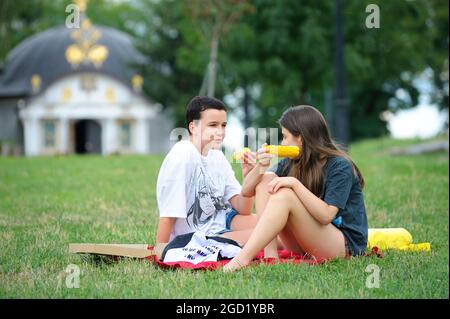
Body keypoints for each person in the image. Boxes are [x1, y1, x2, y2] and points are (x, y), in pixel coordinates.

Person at [223, 105, 368, 272]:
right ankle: (271, 257)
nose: (282, 143)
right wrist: (260, 168)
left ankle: (242, 259)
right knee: (267, 180)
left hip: (343, 246)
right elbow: (247, 191)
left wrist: (295, 184)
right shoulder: (293, 162)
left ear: (301, 138)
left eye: (285, 137)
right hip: (305, 243)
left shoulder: (339, 166)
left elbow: (326, 215)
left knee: (285, 195)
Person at [155, 96, 263, 258]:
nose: (220, 132)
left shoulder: (217, 156)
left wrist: (248, 177)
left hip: (223, 222)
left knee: (274, 224)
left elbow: (244, 209)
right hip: (196, 236)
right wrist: (160, 253)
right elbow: (168, 216)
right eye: (213, 125)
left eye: (224, 125)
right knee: (272, 235)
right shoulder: (182, 156)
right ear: (193, 127)